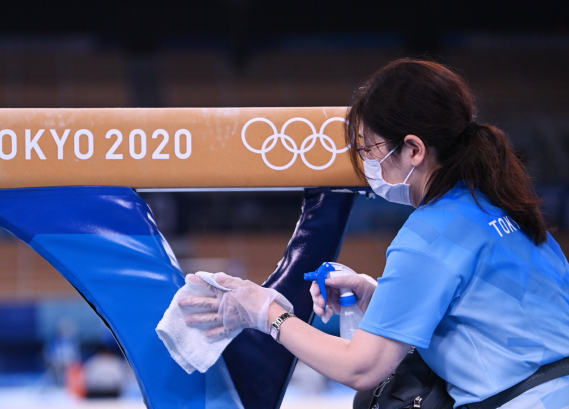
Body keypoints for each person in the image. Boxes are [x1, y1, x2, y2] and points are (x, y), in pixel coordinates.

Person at [179, 59, 569, 408]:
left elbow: (362, 369)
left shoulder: (429, 234)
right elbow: (491, 316)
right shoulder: (505, 205)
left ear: (413, 149)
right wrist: (381, 296)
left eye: (369, 149)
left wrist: (268, 314)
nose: (366, 162)